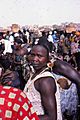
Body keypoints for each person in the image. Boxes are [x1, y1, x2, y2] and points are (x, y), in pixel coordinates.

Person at [24, 44, 62, 120]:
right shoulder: (35, 75)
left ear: (47, 59)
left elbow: (51, 117)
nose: (35, 59)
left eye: (39, 56)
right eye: (32, 55)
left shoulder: (45, 81)